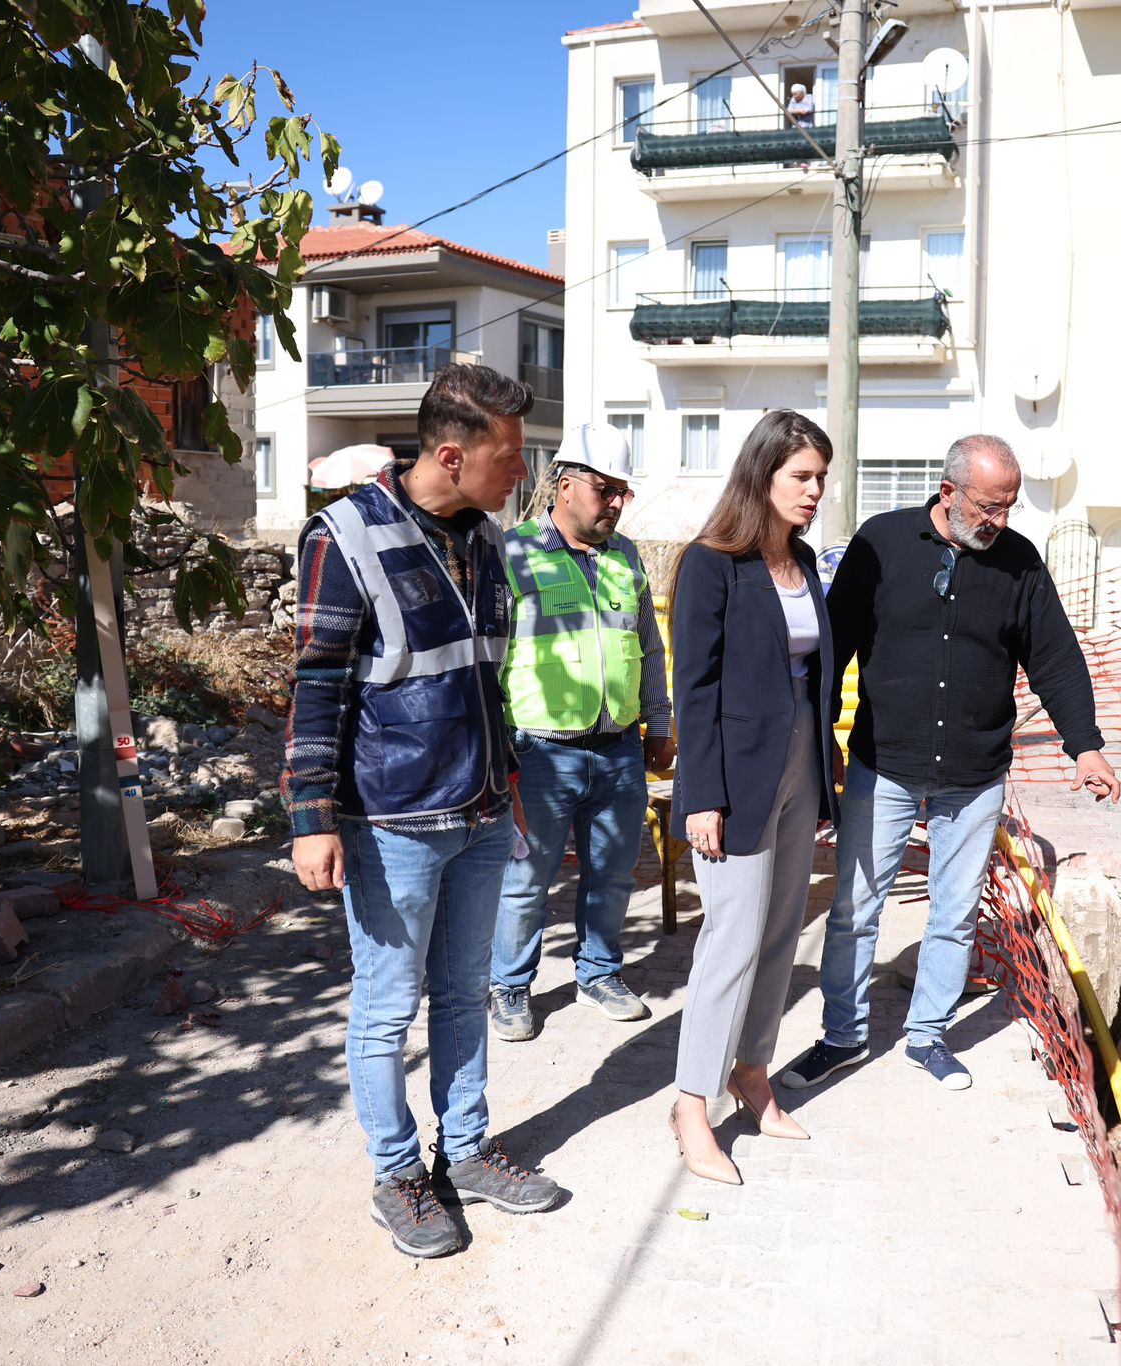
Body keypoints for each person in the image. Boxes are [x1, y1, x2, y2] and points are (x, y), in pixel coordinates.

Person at [282, 364, 561, 1260]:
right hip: (393, 822)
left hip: (480, 813)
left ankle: (466, 1151)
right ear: (452, 452)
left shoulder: (483, 537)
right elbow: (318, 683)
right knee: (386, 1006)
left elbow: (487, 681)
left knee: (463, 996)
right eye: (510, 456)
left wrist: (508, 787)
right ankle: (398, 1172)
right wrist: (309, 814)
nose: (523, 472)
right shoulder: (346, 536)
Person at [781, 435, 1119, 1096]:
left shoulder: (1019, 564)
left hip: (976, 774)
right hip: (885, 765)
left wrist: (1086, 744)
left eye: (1009, 507)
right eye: (989, 506)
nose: (1000, 520)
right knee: (853, 908)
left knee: (955, 911)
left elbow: (1055, 657)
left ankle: (927, 1035)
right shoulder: (880, 544)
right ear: (948, 492)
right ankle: (842, 1037)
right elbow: (830, 649)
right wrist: (819, 748)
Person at [667, 410, 840, 1185]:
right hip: (732, 773)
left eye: (821, 479)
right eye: (801, 476)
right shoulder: (712, 563)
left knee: (779, 930)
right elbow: (692, 689)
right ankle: (690, 1102)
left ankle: (752, 1072)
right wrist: (699, 794)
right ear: (762, 475)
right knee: (731, 938)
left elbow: (814, 675)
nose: (814, 491)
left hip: (801, 762)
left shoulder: (803, 561)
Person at [489, 425, 674, 1042]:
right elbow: (491, 657)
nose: (617, 503)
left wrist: (660, 720)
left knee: (614, 873)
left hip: (618, 747)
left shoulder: (625, 556)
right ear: (565, 484)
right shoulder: (511, 554)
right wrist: (497, 748)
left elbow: (646, 645)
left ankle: (599, 972)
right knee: (525, 879)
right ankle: (509, 987)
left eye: (623, 491)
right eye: (605, 489)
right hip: (539, 750)